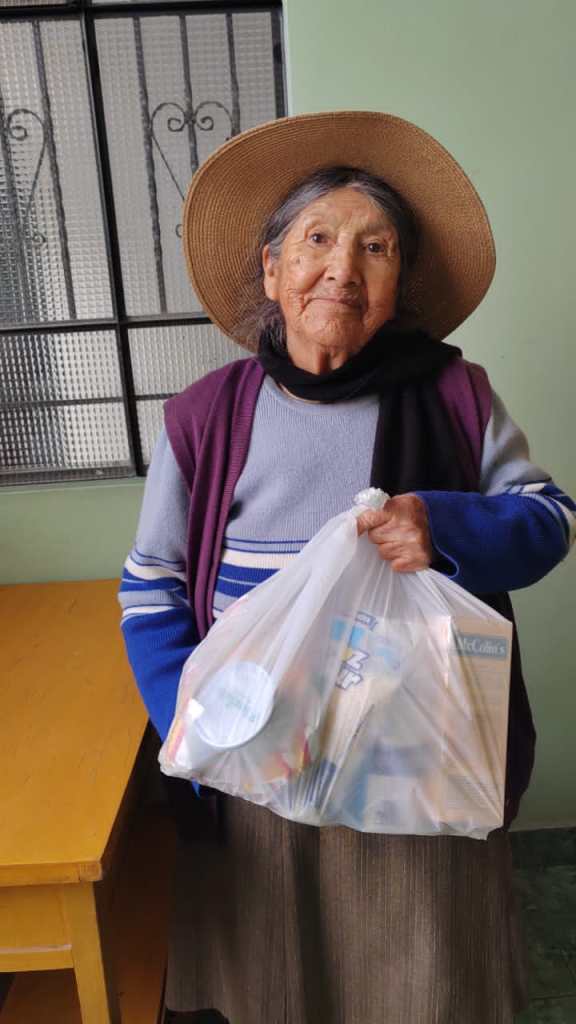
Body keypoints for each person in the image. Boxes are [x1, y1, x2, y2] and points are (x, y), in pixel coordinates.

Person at [119, 111, 575, 1024]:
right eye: (317, 240)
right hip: (256, 760)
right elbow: (151, 589)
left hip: (415, 758)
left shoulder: (456, 396)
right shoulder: (205, 418)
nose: (343, 269)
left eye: (376, 248)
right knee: (278, 981)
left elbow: (550, 520)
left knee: (422, 981)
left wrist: (444, 523)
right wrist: (198, 730)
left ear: (399, 285)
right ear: (271, 269)